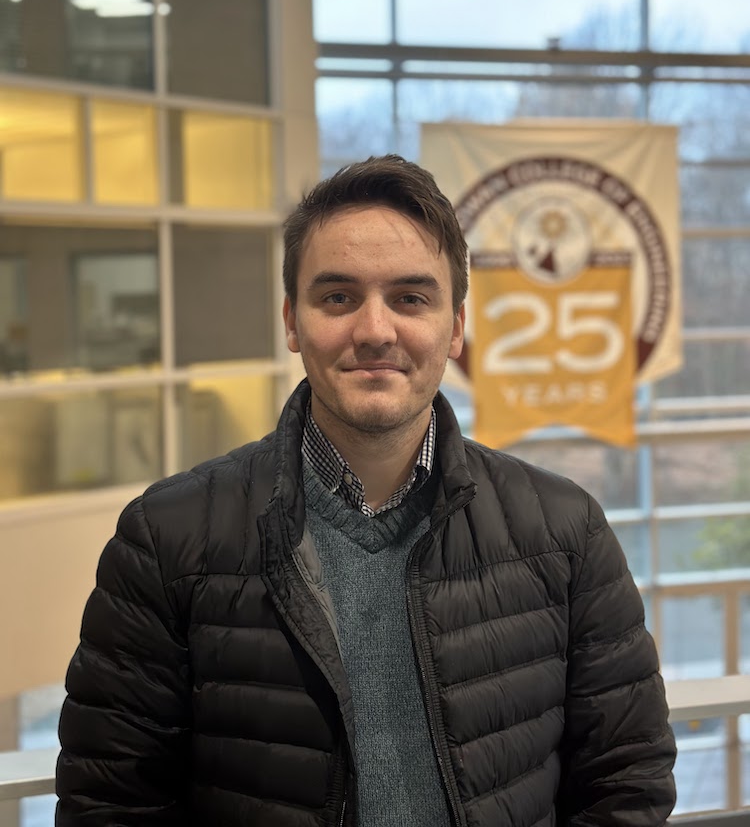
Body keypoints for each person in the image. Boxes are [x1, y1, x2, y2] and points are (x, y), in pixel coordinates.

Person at [56, 155, 677, 827]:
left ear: (457, 326)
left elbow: (626, 784)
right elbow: (111, 806)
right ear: (293, 321)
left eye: (410, 298)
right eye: (338, 297)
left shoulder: (564, 532)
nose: (375, 330)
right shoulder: (167, 540)